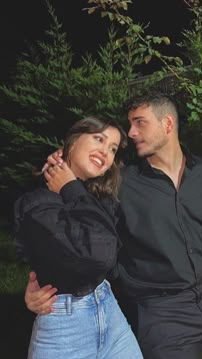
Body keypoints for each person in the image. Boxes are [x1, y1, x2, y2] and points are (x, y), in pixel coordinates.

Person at [24, 91, 202, 359]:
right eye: (129, 124)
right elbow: (74, 232)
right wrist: (43, 282)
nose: (131, 132)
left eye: (139, 122)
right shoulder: (121, 182)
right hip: (162, 315)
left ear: (167, 124)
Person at [14, 116, 143, 359]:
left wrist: (70, 183)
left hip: (109, 311)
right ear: (72, 143)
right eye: (98, 139)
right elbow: (100, 252)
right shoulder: (37, 202)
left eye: (112, 149)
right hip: (65, 327)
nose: (105, 152)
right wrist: (69, 186)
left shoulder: (98, 197)